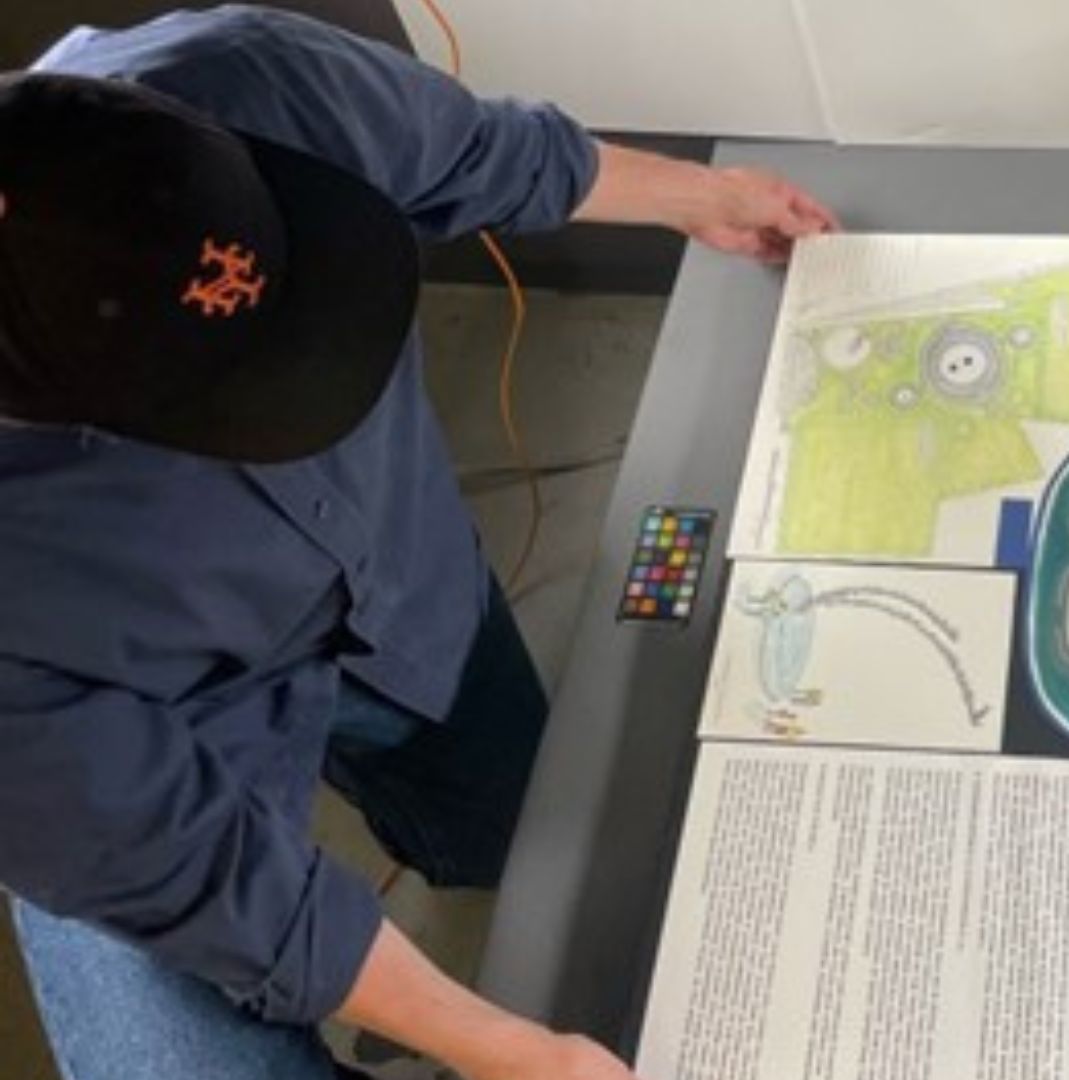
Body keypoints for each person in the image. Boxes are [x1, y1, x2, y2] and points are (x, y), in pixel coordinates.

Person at [0, 6, 838, 1079]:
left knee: (522, 815)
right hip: (153, 727)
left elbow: (487, 151)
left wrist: (705, 198)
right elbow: (197, 877)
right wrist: (512, 1053)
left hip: (404, 581)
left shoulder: (245, 70)